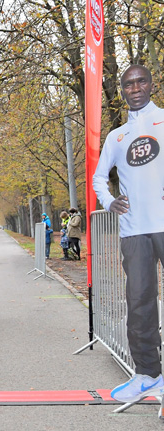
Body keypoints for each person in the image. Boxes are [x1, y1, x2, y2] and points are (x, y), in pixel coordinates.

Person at [93, 64, 164, 403]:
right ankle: (149, 374)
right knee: (139, 304)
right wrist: (109, 201)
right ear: (122, 90)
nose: (135, 87)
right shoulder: (116, 136)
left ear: (151, 84)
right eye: (128, 84)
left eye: (141, 81)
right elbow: (97, 178)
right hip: (134, 231)